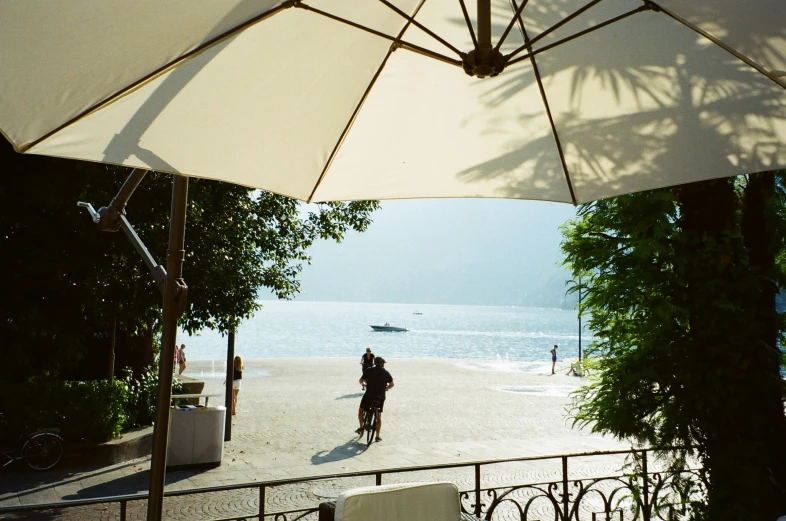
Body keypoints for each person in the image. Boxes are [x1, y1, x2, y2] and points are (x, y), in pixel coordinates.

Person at [356, 356, 394, 442]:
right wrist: (385, 388)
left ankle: (361, 427)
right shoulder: (385, 372)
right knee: (379, 415)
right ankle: (377, 436)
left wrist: (363, 385)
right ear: (382, 364)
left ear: (375, 363)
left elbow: (361, 380)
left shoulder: (369, 370)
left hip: (369, 395)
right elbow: (392, 384)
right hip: (380, 397)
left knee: (361, 410)